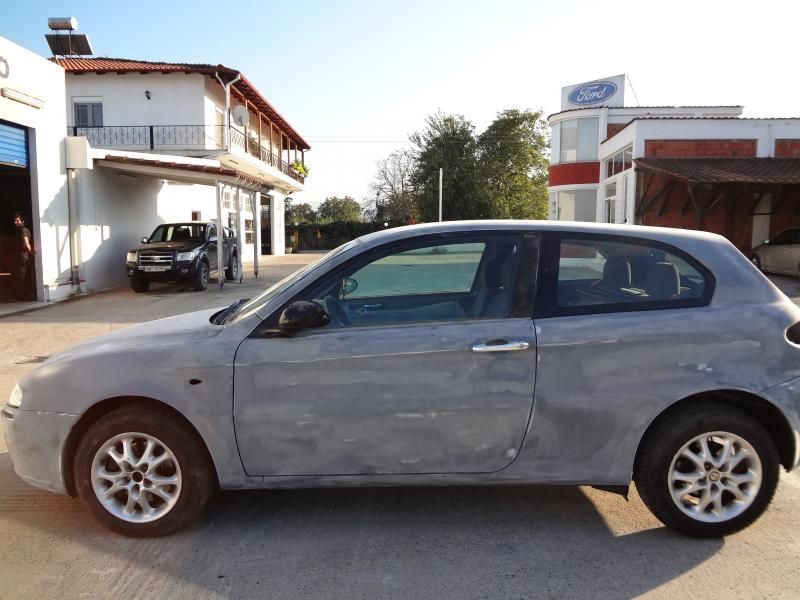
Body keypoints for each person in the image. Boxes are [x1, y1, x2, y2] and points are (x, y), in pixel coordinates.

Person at [12, 212, 33, 300]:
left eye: (17, 221)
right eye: (14, 221)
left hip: (23, 257)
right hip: (23, 257)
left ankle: (24, 296)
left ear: (22, 221)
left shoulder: (23, 231)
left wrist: (31, 252)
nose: (15, 222)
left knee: (22, 277)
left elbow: (26, 244)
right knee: (23, 276)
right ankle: (25, 295)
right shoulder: (23, 230)